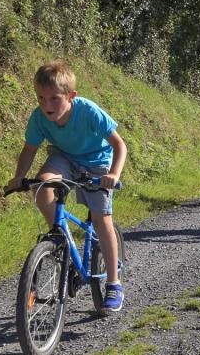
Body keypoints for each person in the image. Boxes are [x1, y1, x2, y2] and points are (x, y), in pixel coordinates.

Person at [7, 61, 128, 313]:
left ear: (71, 96)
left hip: (97, 162)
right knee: (41, 185)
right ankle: (61, 237)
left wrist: (114, 174)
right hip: (64, 157)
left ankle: (114, 283)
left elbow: (119, 145)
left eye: (54, 98)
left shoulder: (88, 111)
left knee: (101, 219)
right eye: (41, 98)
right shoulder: (39, 117)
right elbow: (30, 149)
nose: (46, 105)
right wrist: (19, 176)